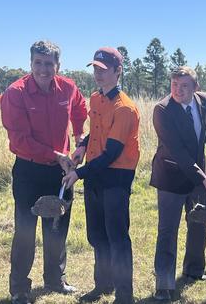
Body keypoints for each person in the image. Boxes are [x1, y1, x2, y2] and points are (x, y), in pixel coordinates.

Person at [0, 40, 87, 304]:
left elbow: (81, 111)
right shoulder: (15, 93)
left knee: (57, 226)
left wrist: (80, 138)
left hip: (60, 172)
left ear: (57, 66)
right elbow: (18, 140)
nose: (43, 69)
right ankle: (20, 288)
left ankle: (55, 278)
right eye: (38, 62)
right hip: (29, 170)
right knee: (25, 229)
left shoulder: (68, 88)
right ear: (31, 63)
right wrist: (56, 155)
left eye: (49, 64)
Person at [62, 47, 140, 304]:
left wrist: (78, 174)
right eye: (95, 68)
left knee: (117, 236)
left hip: (115, 178)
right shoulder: (96, 98)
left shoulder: (125, 108)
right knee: (96, 235)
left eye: (103, 70)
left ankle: (124, 294)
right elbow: (93, 131)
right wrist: (82, 146)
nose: (98, 74)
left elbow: (112, 153)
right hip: (96, 175)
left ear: (118, 71)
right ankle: (102, 285)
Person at [149, 66, 206, 301]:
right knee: (167, 230)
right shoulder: (162, 110)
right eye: (174, 85)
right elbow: (178, 152)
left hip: (198, 176)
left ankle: (193, 271)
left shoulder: (204, 101)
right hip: (170, 177)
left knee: (199, 223)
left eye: (184, 86)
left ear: (196, 87)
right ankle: (164, 284)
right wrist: (204, 179)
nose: (178, 90)